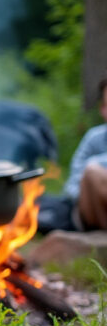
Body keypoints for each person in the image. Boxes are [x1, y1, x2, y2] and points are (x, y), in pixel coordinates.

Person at [64, 75, 107, 230]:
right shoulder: (94, 138)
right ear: (103, 110)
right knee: (92, 172)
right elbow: (72, 185)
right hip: (93, 210)